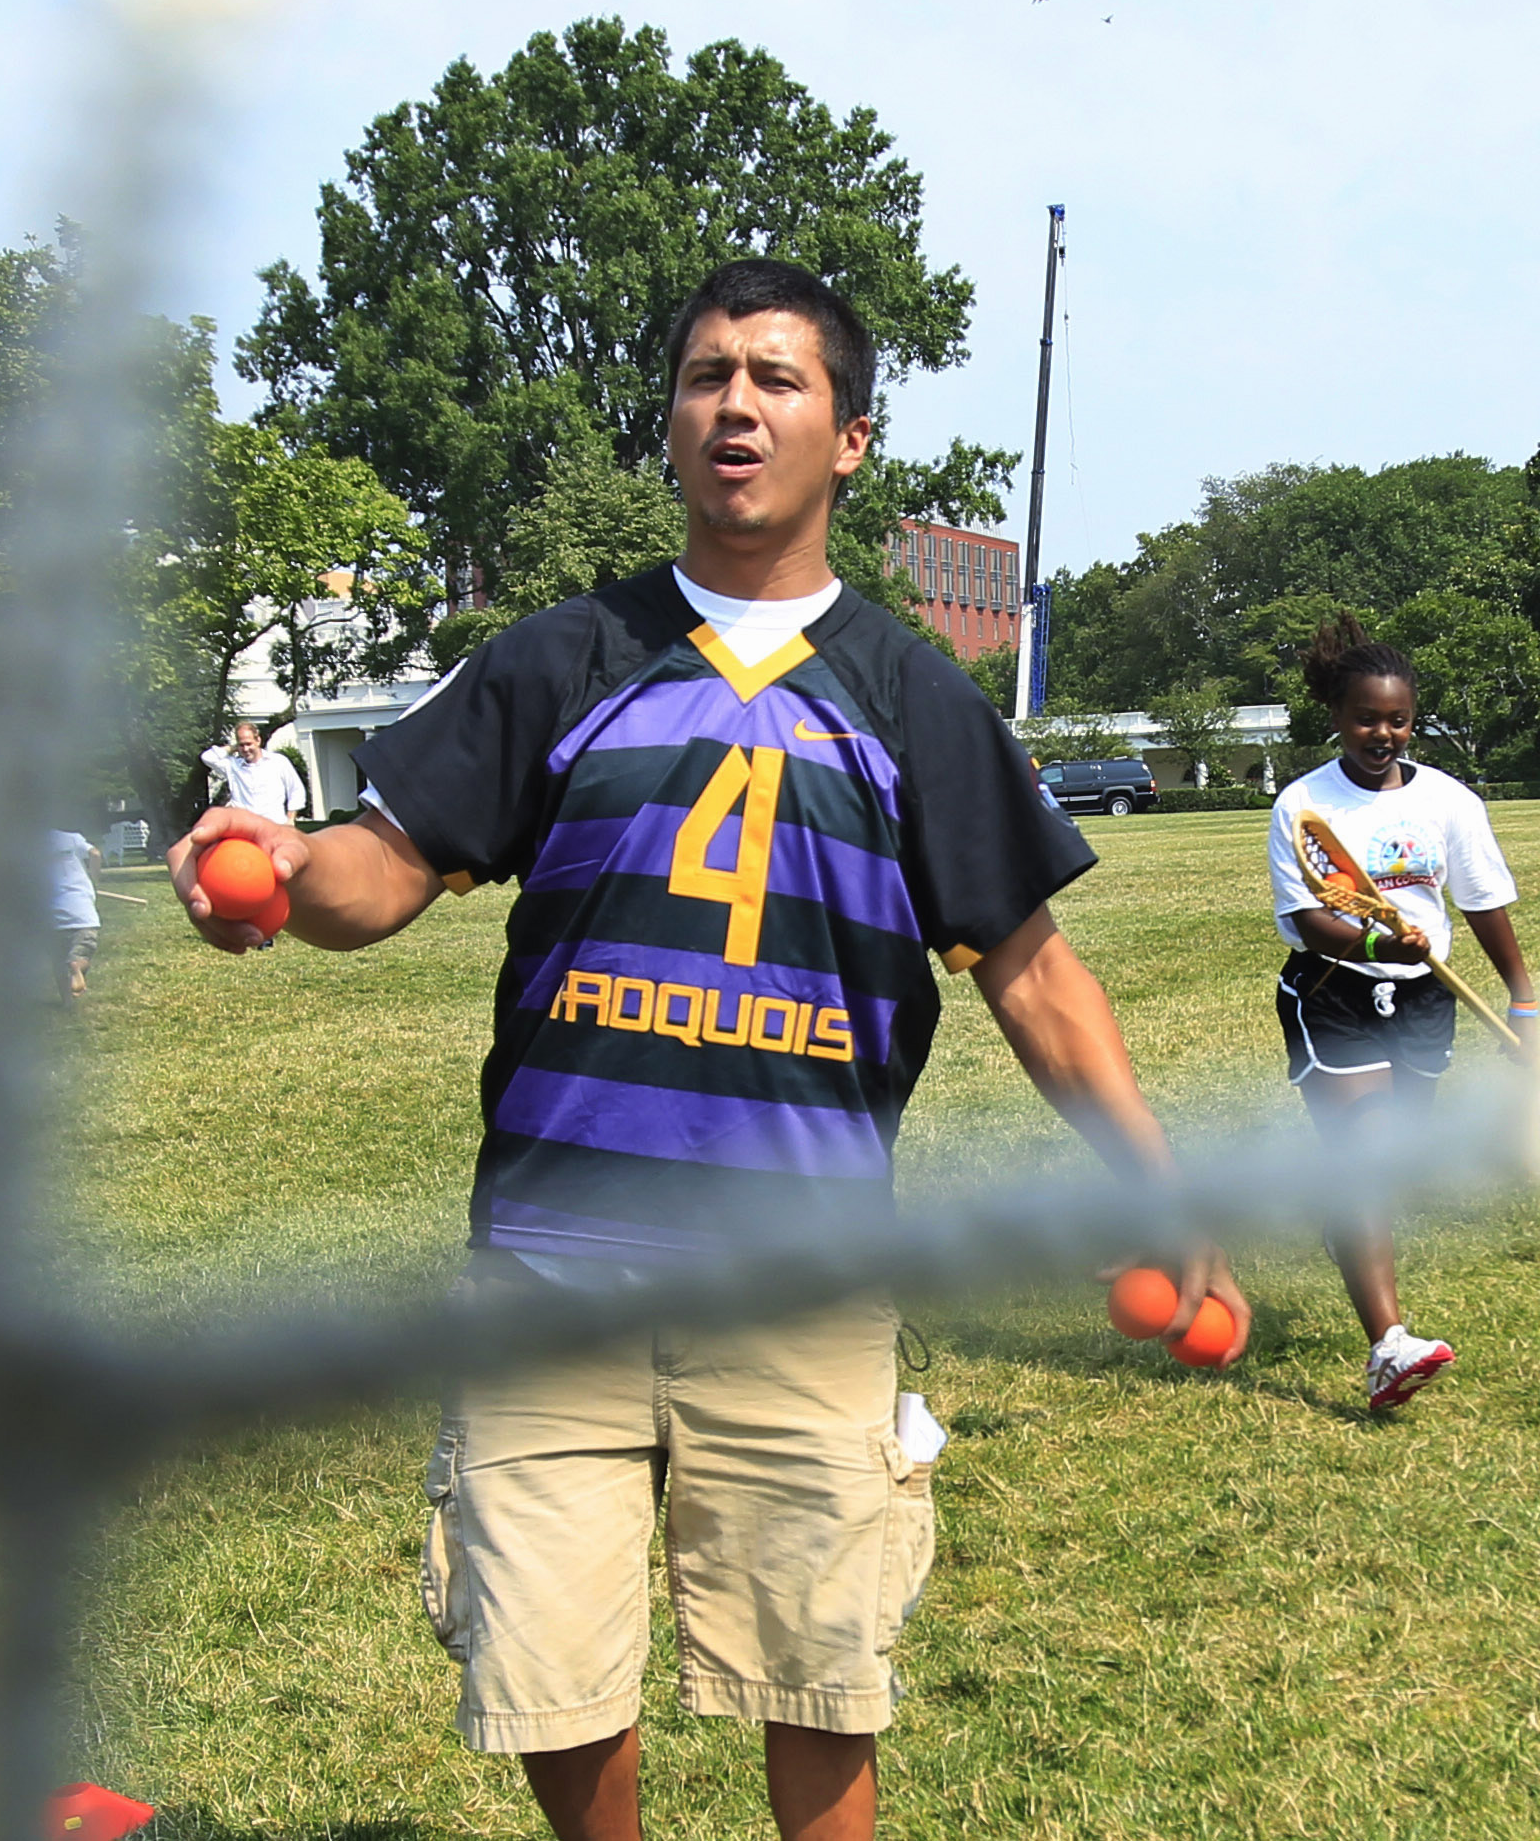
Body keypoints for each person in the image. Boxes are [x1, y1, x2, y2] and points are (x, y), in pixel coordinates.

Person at [168, 258, 1243, 1841]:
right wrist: (272, 876)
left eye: (777, 377)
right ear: (670, 421)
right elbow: (382, 866)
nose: (735, 403)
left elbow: (1032, 971)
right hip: (547, 1260)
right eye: (703, 375)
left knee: (820, 1679)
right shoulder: (562, 656)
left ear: (852, 436)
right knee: (554, 1665)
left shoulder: (914, 699)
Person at [1269, 613, 1538, 1414]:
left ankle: (1343, 1221)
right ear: (1338, 717)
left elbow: (1484, 902)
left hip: (1428, 995)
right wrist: (1379, 940)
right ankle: (1389, 1347)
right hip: (1334, 993)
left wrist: (1522, 997)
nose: (1380, 734)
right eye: (1365, 719)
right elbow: (1308, 919)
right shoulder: (1303, 804)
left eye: (1396, 720)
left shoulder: (1449, 802)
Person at [201, 720, 311, 825]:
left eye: (249, 744)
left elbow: (296, 790)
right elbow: (207, 757)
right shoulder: (233, 766)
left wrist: (290, 819)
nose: (245, 749)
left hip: (274, 825)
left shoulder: (278, 762)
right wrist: (233, 748)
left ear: (258, 740)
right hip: (244, 828)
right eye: (241, 745)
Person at [47, 827, 102, 1000]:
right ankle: (77, 965)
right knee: (82, 953)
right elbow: (95, 854)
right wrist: (95, 881)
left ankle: (67, 1003)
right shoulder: (71, 838)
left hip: (53, 917)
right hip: (83, 914)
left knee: (58, 961)